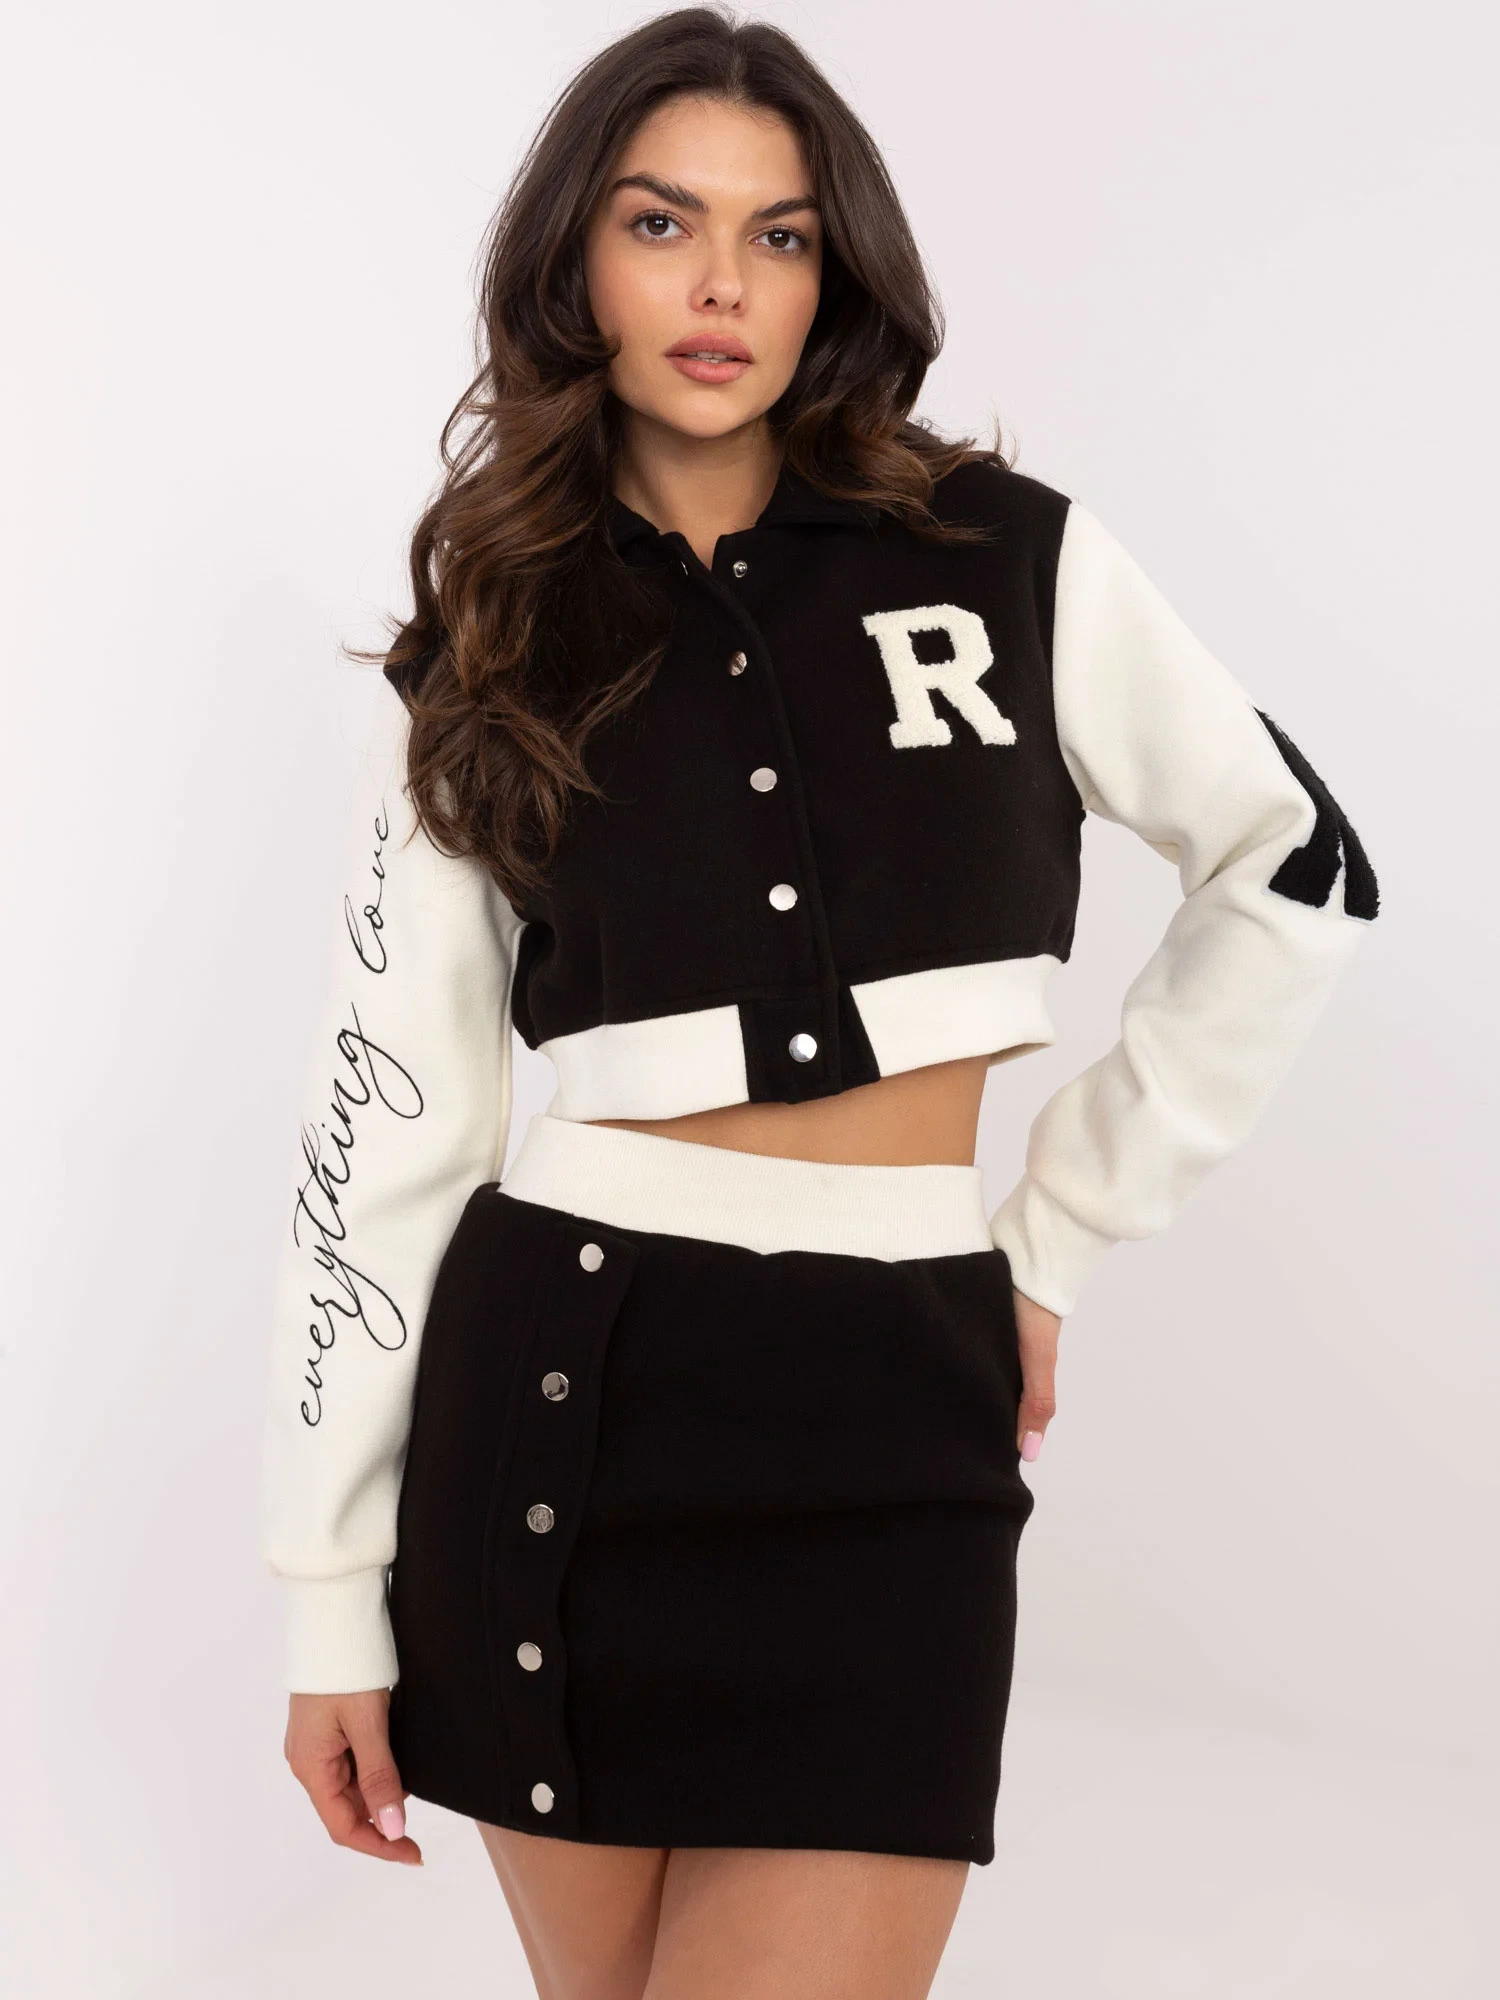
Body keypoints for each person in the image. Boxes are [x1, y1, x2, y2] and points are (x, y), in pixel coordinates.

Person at [260, 9, 1380, 1997]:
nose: (720, 283)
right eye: (661, 223)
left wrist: (1059, 1228)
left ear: (833, 270)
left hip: (897, 1411)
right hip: (564, 1397)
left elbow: (1297, 866)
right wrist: (331, 1593)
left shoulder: (1008, 559)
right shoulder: (485, 641)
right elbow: (391, 1131)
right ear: (574, 263)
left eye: (777, 235)